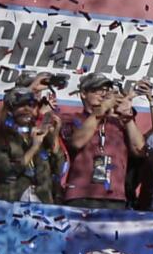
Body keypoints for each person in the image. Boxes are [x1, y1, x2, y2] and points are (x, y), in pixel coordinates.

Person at [62, 72, 146, 209]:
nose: (103, 94)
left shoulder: (118, 122)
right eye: (97, 90)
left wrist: (127, 116)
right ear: (83, 93)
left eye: (107, 90)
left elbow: (140, 150)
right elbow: (77, 142)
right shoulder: (73, 118)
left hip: (115, 197)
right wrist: (101, 110)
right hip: (81, 195)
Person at [0, 88, 66, 204]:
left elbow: (59, 169)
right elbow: (8, 172)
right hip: (10, 203)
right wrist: (33, 148)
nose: (27, 110)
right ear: (10, 110)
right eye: (21, 106)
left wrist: (54, 137)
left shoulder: (38, 136)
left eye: (31, 105)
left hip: (42, 203)